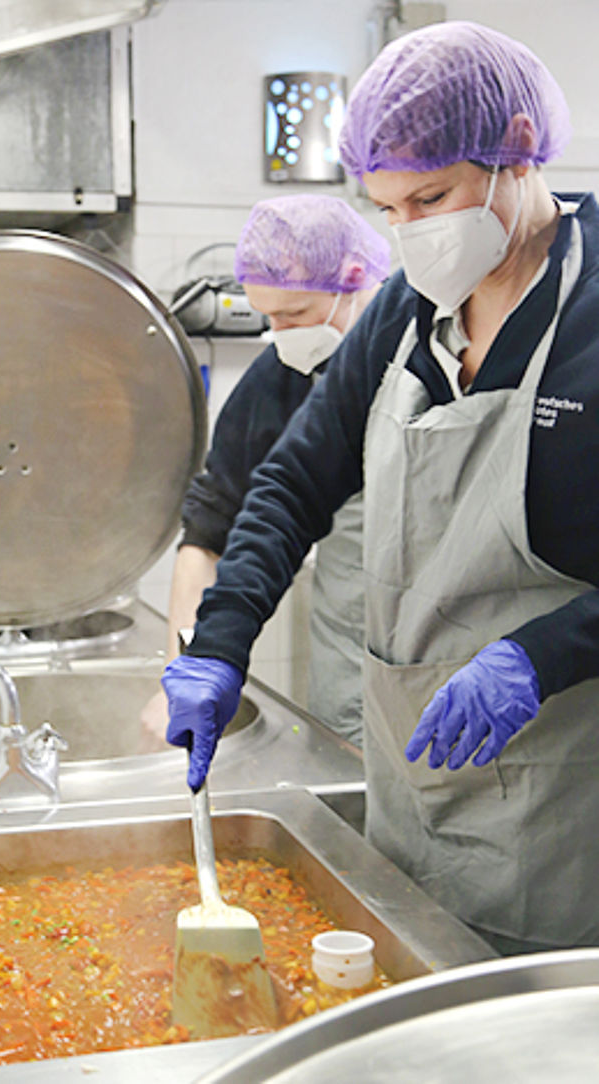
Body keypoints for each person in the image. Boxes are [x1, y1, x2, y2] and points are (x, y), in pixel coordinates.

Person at [161, 21, 599, 956]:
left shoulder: (589, 310)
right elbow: (292, 482)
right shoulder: (407, 310)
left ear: (519, 146)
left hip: (560, 817)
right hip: (410, 798)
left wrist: (543, 655)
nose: (412, 233)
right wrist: (220, 640)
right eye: (388, 208)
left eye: (432, 198)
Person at [142, 194, 390, 745]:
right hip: (350, 677)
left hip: (462, 673)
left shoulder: (433, 349)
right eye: (268, 317)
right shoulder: (280, 378)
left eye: (295, 314)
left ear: (353, 278)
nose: (281, 333)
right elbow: (210, 531)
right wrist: (180, 674)